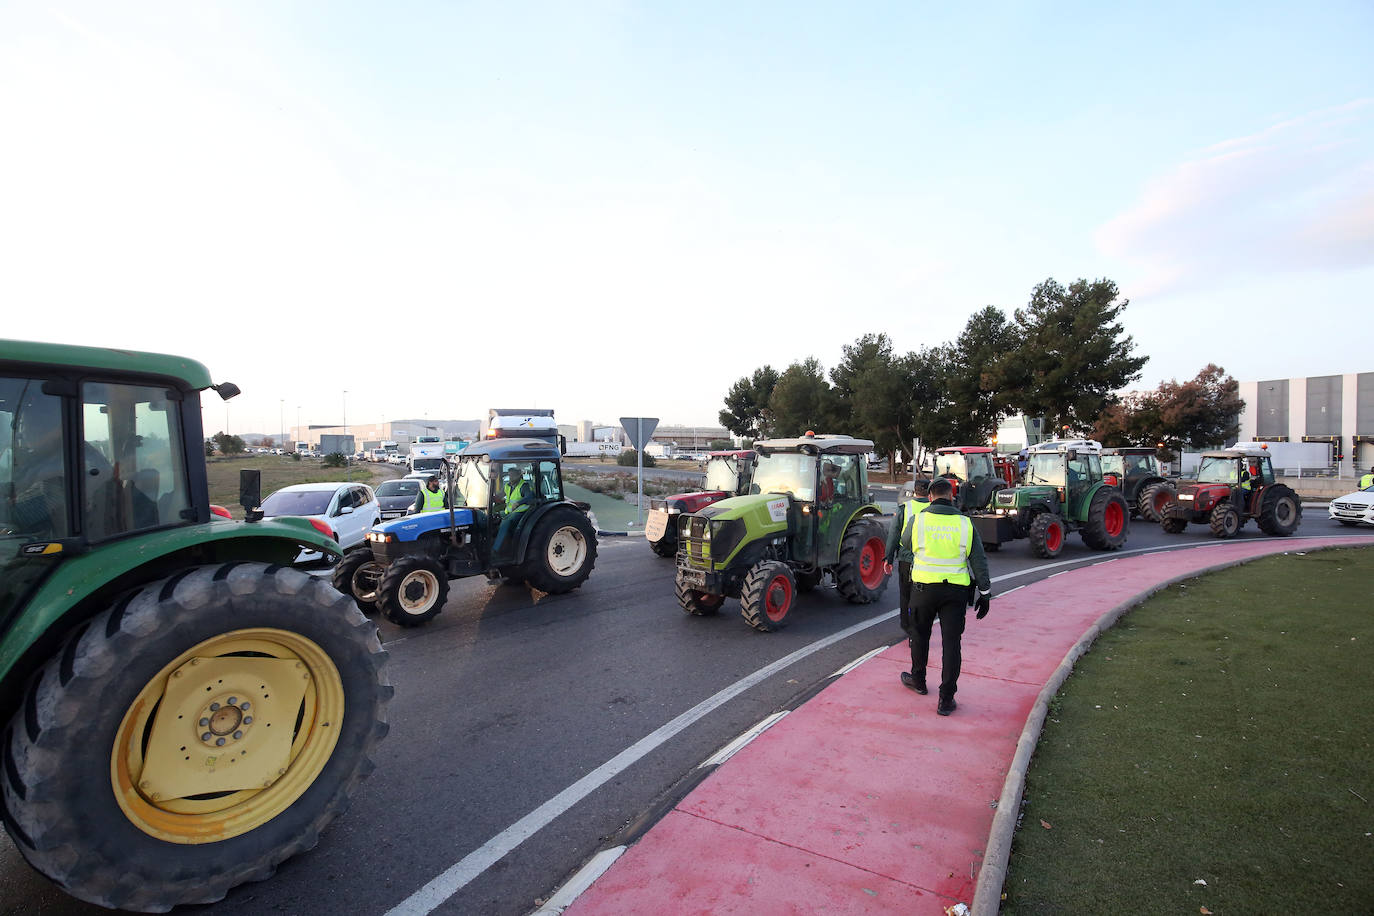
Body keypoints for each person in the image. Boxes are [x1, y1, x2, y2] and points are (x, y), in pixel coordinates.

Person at [903, 475, 991, 716]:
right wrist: (985, 592)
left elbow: (905, 543)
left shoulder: (917, 520)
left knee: (920, 636)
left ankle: (918, 681)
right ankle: (946, 699)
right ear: (951, 496)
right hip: (955, 592)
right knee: (952, 644)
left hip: (923, 590)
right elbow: (979, 561)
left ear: (930, 497)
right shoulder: (965, 523)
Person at [883, 478, 931, 643]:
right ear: (929, 492)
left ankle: (909, 628)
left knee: (906, 596)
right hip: (928, 560)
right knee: (925, 598)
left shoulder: (905, 508)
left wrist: (888, 558)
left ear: (914, 491)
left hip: (907, 559)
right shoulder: (935, 509)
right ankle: (922, 628)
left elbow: (893, 535)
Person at [492, 464, 534, 553]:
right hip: (509, 512)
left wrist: (518, 503)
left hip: (522, 513)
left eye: (512, 475)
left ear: (518, 476)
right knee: (492, 517)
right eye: (509, 475)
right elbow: (499, 495)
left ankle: (495, 550)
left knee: (505, 522)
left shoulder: (524, 486)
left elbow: (530, 497)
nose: (510, 477)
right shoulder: (508, 486)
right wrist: (492, 497)